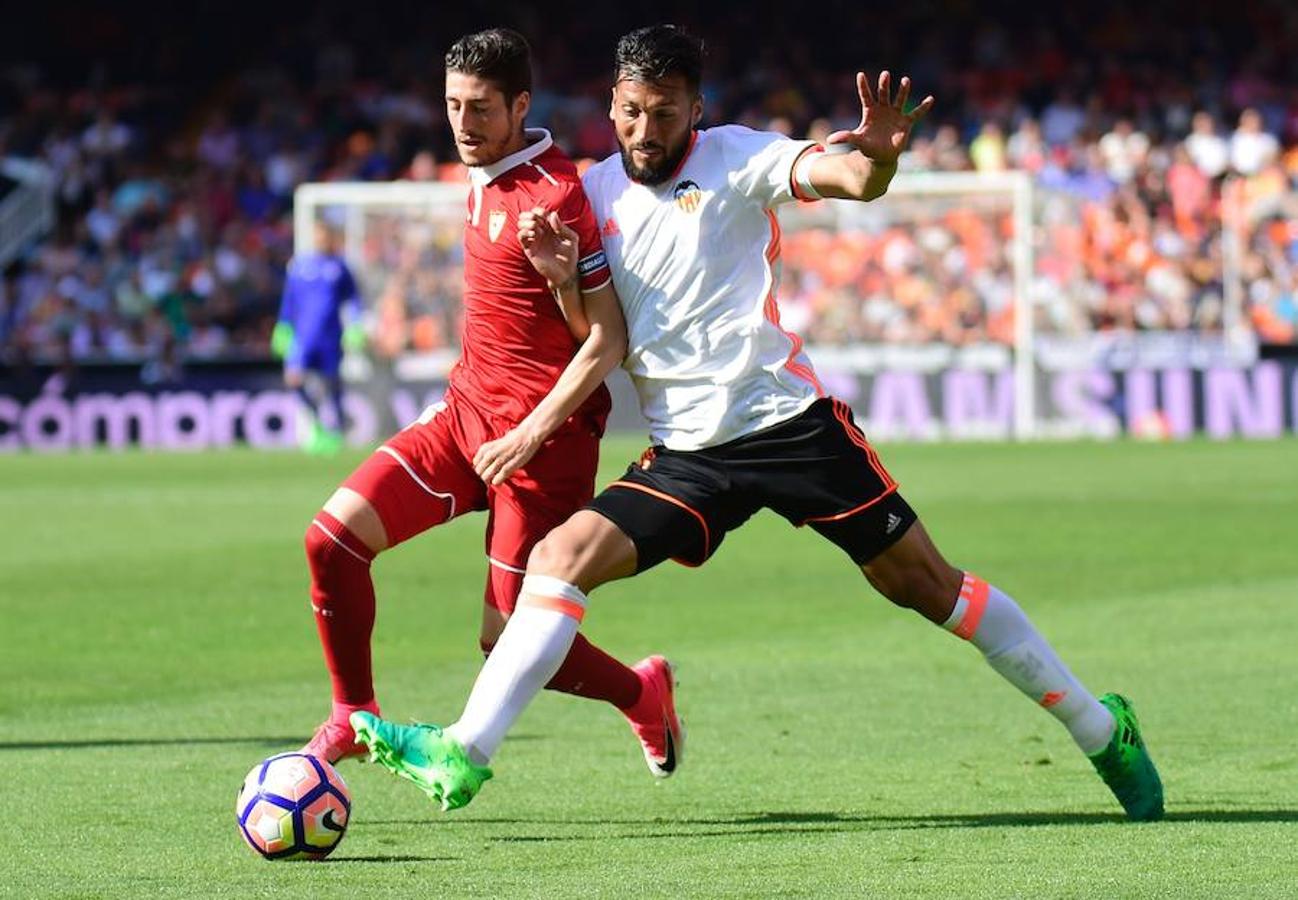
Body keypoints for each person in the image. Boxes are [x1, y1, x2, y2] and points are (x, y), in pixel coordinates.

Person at [353, 25, 1163, 822]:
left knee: (925, 586)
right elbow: (599, 331)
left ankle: (1100, 729)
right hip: (687, 454)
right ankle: (465, 748)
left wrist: (876, 155)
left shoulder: (737, 157)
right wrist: (565, 281)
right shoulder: (592, 192)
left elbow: (847, 176)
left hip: (787, 425)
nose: (645, 132)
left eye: (665, 114)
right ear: (612, 103)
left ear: (695, 110)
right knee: (558, 559)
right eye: (632, 112)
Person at [300, 28, 683, 781]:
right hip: (464, 417)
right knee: (331, 541)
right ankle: (352, 716)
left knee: (506, 642)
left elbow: (604, 340)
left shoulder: (559, 193)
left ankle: (641, 691)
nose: (463, 124)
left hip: (545, 446)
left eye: (480, 108)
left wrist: (562, 289)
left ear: (520, 105)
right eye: (452, 105)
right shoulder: (478, 172)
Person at [272, 220, 364, 454]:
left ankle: (338, 429)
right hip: (303, 338)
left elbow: (353, 300)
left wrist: (354, 325)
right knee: (294, 380)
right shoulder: (299, 266)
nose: (321, 239)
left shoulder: (340, 267)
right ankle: (319, 426)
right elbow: (289, 302)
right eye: (317, 235)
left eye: (325, 236)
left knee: (331, 384)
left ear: (331, 238)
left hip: (330, 338)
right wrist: (283, 327)